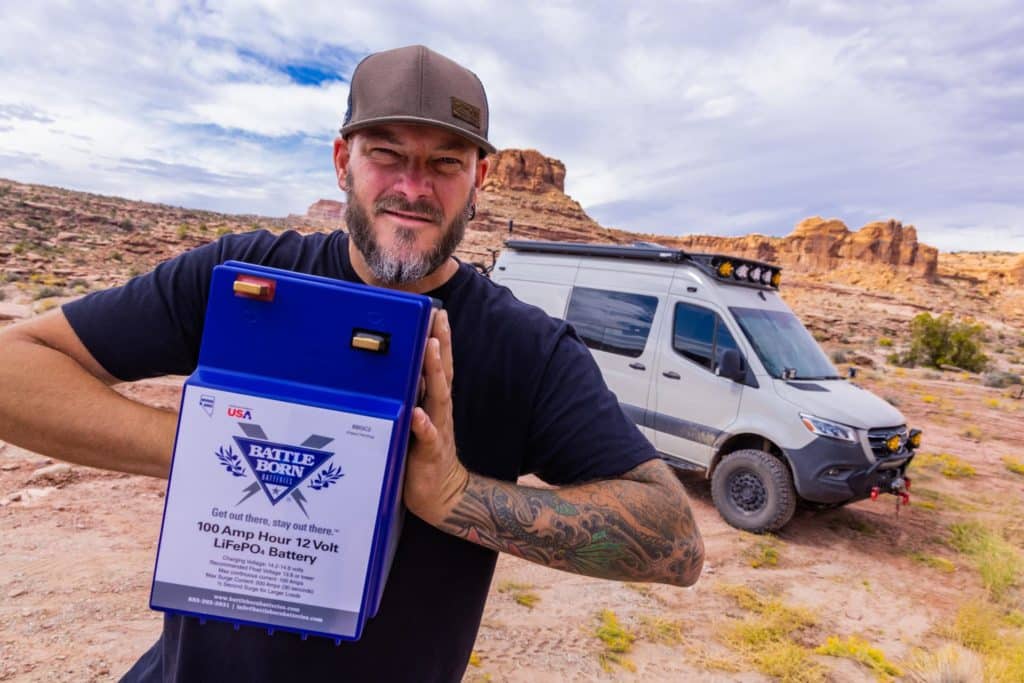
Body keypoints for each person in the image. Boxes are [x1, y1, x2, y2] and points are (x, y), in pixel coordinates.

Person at [0, 45, 703, 681]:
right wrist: (198, 445)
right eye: (387, 154)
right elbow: (14, 367)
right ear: (343, 161)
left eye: (445, 163)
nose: (414, 186)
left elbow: (674, 539)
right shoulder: (241, 276)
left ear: (480, 178)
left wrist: (456, 496)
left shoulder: (528, 348)